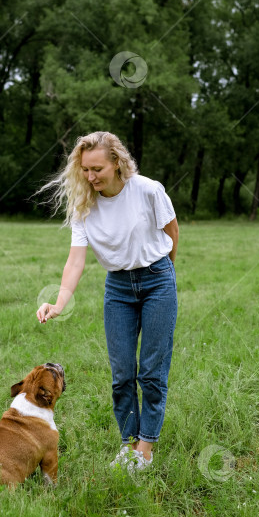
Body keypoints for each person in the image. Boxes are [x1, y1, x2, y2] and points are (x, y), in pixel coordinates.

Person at [35, 131, 178, 472]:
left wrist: (167, 274)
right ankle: (127, 444)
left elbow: (172, 232)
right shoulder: (85, 203)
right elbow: (75, 260)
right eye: (85, 169)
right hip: (118, 288)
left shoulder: (147, 190)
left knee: (152, 372)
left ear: (117, 163)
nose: (90, 176)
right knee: (122, 374)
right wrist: (59, 302)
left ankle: (146, 448)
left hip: (157, 280)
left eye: (97, 168)